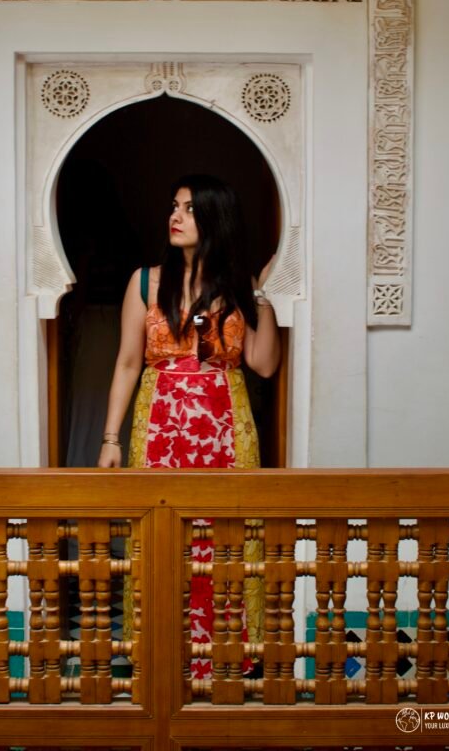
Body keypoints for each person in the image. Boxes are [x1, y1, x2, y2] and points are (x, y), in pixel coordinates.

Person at [98, 173, 280, 677]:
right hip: (159, 433)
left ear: (215, 219)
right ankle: (162, 657)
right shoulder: (144, 282)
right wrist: (111, 439)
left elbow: (263, 364)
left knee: (225, 542)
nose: (174, 217)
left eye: (189, 209)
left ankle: (229, 658)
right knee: (162, 545)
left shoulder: (239, 287)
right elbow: (128, 363)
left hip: (226, 432)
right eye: (174, 206)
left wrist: (261, 295)